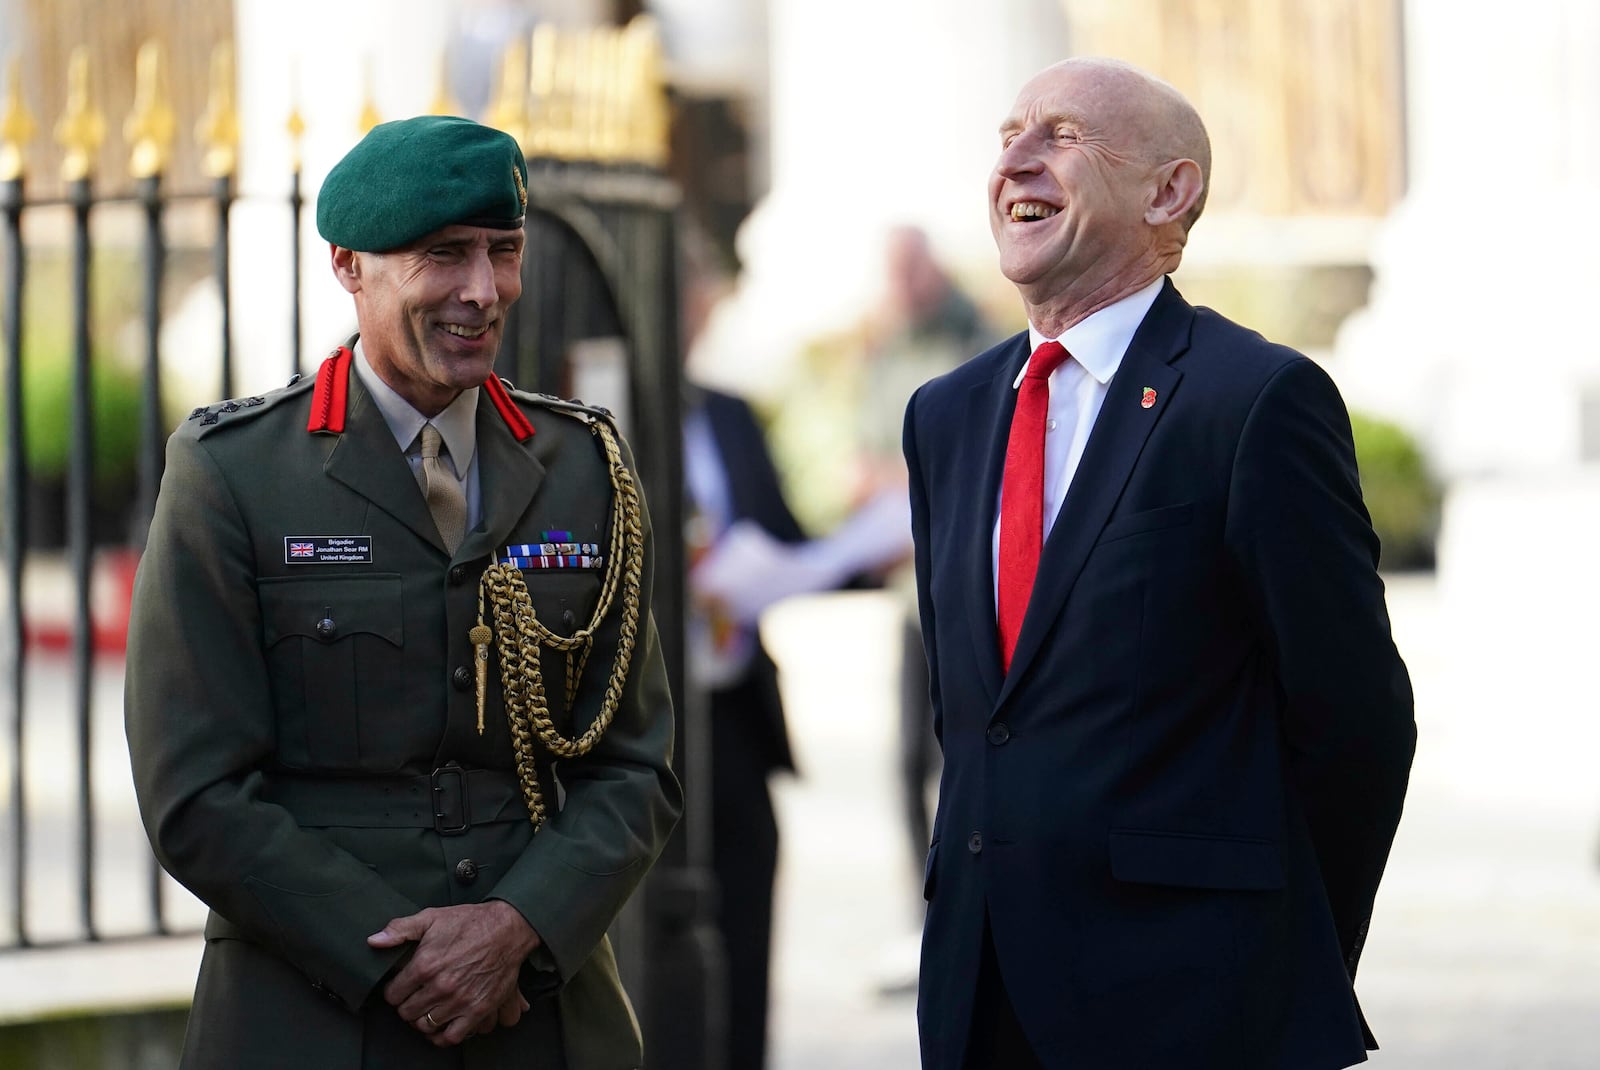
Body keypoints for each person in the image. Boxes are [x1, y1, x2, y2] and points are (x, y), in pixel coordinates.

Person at [124, 115, 681, 1069]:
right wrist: (405, 959)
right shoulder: (234, 473)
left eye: (503, 253)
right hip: (310, 1015)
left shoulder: (585, 466)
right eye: (443, 256)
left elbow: (635, 767)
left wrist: (516, 929)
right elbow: (197, 792)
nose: (482, 290)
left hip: (537, 1010)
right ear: (350, 264)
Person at [902, 58, 1416, 1069]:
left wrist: (1280, 951)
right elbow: (975, 717)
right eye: (1007, 135)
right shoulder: (947, 415)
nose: (1015, 159)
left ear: (1167, 190)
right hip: (981, 996)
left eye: (1059, 135)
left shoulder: (1254, 400)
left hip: (1191, 1004)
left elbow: (1354, 719)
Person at [683, 381, 805, 1070]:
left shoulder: (728, 413)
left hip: (736, 708)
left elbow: (785, 533)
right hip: (655, 708)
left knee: (746, 913)